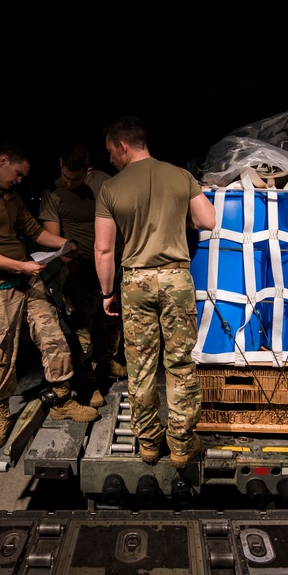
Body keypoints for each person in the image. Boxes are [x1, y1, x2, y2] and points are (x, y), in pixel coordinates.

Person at [0, 142, 99, 451]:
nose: (20, 180)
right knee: (0, 354)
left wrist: (68, 245)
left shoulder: (12, 197)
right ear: (2, 161)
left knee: (54, 337)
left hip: (28, 280)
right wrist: (21, 265)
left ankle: (61, 399)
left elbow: (34, 231)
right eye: (18, 173)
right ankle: (2, 415)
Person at [93, 116, 216, 469]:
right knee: (180, 364)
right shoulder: (180, 175)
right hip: (177, 280)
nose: (110, 160)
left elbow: (103, 251)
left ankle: (149, 442)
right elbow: (208, 220)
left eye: (110, 152)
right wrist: (181, 217)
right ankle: (180, 445)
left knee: (141, 366)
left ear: (123, 146)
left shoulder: (111, 189)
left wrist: (106, 292)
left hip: (135, 282)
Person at [39, 144, 127, 408]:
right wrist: (71, 263)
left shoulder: (105, 183)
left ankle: (106, 361)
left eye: (76, 179)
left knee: (111, 321)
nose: (69, 182)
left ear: (88, 171)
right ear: (60, 164)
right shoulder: (53, 194)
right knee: (80, 329)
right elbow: (52, 239)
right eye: (66, 176)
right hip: (80, 268)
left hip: (112, 266)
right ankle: (87, 383)